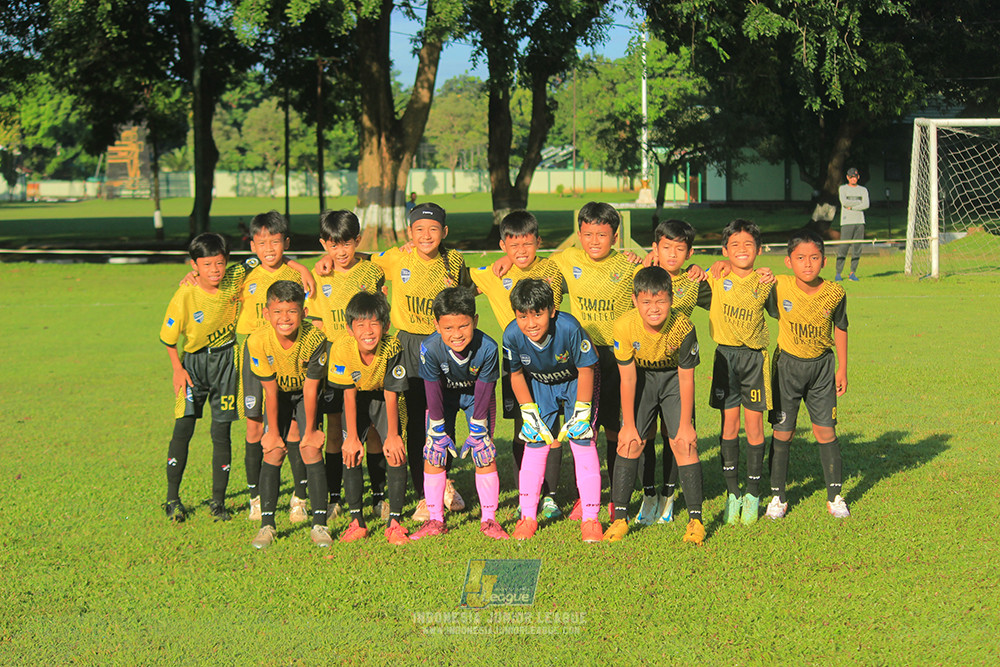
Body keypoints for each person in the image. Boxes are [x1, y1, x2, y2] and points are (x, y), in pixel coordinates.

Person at [370, 203, 470, 520]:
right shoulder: (396, 257)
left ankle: (444, 482)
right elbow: (358, 261)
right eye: (419, 229)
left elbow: (468, 291)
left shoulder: (454, 260)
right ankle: (425, 493)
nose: (426, 235)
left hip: (444, 344)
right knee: (415, 419)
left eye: (433, 229)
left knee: (444, 416)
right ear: (409, 233)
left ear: (445, 232)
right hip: (409, 344)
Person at [469, 210, 566, 519]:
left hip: (550, 358)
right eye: (513, 246)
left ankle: (550, 496)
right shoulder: (495, 273)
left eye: (527, 244)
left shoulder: (549, 269)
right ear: (503, 245)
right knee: (522, 426)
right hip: (515, 359)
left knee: (551, 427)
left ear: (538, 241)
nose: (521, 251)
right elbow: (461, 275)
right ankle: (528, 491)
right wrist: (505, 263)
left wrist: (511, 261)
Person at [604, 267, 705, 545]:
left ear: (671, 299)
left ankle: (696, 521)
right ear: (635, 300)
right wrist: (628, 425)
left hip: (674, 379)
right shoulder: (624, 325)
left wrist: (685, 425)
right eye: (646, 301)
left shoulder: (683, 327)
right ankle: (620, 519)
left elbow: (687, 379)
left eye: (661, 300)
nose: (654, 308)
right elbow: (627, 377)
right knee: (630, 442)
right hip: (642, 379)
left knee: (684, 443)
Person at [502, 279, 604, 543]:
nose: (531, 323)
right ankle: (528, 517)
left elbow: (586, 368)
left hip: (575, 382)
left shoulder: (569, 327)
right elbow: (515, 376)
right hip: (539, 384)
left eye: (538, 314)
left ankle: (591, 519)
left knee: (582, 442)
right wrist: (528, 412)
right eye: (522, 316)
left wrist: (581, 411)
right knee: (535, 443)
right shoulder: (511, 335)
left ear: (552, 310)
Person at [159, 233, 249, 523]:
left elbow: (267, 258)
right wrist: (177, 369)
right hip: (194, 366)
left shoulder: (235, 277)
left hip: (226, 362)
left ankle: (219, 503)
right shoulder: (185, 293)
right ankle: (173, 499)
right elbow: (169, 338)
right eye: (207, 264)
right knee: (183, 428)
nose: (214, 270)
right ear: (194, 265)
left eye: (220, 263)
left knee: (221, 432)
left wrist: (301, 268)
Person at [235, 211, 316, 525]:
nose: (269, 248)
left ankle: (299, 497)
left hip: (291, 356)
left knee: (295, 428)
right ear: (253, 245)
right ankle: (255, 497)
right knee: (255, 427)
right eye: (262, 242)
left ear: (286, 243)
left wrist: (298, 264)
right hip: (255, 357)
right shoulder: (243, 273)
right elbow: (213, 274)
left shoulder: (297, 275)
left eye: (276, 241)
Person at [306, 209, 387, 520]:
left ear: (357, 241)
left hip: (369, 361)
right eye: (332, 245)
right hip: (335, 365)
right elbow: (314, 321)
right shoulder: (319, 275)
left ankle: (379, 495)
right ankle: (335, 496)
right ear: (323, 244)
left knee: (373, 429)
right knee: (336, 429)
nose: (339, 252)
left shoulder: (371, 271)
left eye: (346, 244)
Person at [765, 230, 851, 519]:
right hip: (786, 367)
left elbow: (841, 328)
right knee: (783, 432)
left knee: (825, 431)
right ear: (789, 262)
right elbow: (748, 279)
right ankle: (777, 496)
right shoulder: (779, 285)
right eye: (800, 258)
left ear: (824, 261)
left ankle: (835, 496)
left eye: (814, 258)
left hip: (822, 369)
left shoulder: (835, 292)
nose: (808, 264)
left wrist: (843, 367)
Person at [410, 287, 508, 540]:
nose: (456, 334)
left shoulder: (487, 347)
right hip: (443, 399)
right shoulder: (429, 348)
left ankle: (489, 520)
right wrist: (438, 428)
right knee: (435, 449)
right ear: (436, 325)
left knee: (483, 449)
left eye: (463, 326)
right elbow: (431, 389)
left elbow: (486, 388)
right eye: (448, 328)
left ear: (474, 320)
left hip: (477, 398)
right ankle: (435, 520)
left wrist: (478, 429)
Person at [247, 281, 331, 549]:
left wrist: (311, 431)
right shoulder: (257, 340)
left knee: (311, 448)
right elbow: (270, 391)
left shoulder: (315, 339)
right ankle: (267, 525)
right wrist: (271, 433)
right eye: (278, 312)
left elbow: (310, 387)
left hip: (305, 393)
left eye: (292, 312)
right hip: (278, 395)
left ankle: (319, 525)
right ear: (266, 313)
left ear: (304, 312)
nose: (285, 319)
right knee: (272, 451)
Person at [328, 291, 411, 545]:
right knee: (350, 450)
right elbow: (348, 394)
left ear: (385, 326)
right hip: (356, 398)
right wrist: (351, 437)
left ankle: (395, 522)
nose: (368, 330)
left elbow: (391, 392)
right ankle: (357, 521)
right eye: (360, 324)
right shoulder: (342, 347)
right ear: (349, 328)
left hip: (384, 396)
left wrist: (394, 435)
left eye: (374, 323)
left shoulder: (393, 346)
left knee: (396, 450)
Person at [706, 219, 774, 526]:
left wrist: (771, 275)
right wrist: (709, 266)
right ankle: (732, 493)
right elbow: (687, 272)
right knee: (729, 426)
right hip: (725, 357)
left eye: (748, 244)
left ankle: (753, 493)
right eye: (734, 245)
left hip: (753, 360)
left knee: (754, 426)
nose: (742, 250)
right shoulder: (717, 276)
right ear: (724, 250)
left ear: (759, 250)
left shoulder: (766, 281)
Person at [836, 167, 868, 282]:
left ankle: (852, 273)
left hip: (860, 222)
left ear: (858, 177)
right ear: (847, 177)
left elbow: (866, 204)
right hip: (846, 222)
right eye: (851, 177)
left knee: (857, 248)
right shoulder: (842, 189)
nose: (853, 179)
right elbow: (844, 202)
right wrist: (859, 203)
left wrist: (853, 206)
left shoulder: (863, 190)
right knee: (843, 247)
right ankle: (838, 273)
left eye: (855, 177)